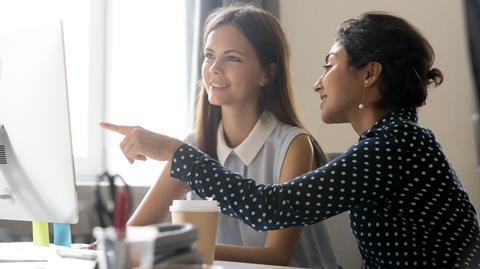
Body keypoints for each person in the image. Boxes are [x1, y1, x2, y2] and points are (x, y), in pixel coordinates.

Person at [102, 11, 480, 268]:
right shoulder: (392, 142)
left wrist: (174, 152)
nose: (319, 82)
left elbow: (271, 208)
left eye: (330, 65)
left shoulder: (395, 145)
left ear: (369, 73)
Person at [102, 4, 338, 268]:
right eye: (209, 55)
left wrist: (182, 249)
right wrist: (102, 248)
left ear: (267, 73)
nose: (214, 68)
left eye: (232, 58)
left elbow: (277, 255)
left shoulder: (293, 145)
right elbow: (134, 232)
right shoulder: (195, 146)